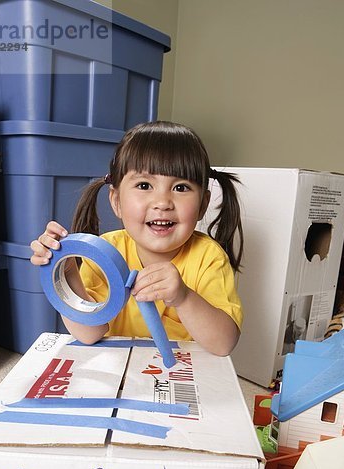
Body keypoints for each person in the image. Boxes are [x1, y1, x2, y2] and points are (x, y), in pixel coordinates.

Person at [30, 120, 243, 356]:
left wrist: (183, 297)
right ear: (116, 201)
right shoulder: (107, 250)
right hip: (118, 371)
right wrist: (67, 271)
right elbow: (88, 334)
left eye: (181, 188)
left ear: (203, 205)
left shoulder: (208, 257)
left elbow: (223, 344)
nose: (162, 203)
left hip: (180, 375)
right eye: (144, 185)